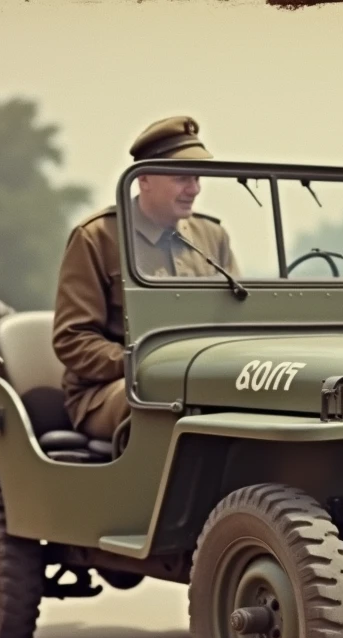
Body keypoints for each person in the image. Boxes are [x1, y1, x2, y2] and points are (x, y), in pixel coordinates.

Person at [52, 116, 238, 441]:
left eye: (196, 178)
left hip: (201, 381)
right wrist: (142, 364)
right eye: (182, 178)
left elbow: (237, 318)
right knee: (166, 405)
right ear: (144, 179)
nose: (193, 189)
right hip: (108, 390)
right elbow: (72, 338)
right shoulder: (98, 237)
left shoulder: (213, 236)